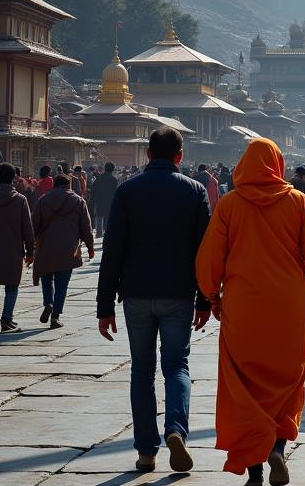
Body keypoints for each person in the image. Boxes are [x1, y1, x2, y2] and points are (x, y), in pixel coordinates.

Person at [196, 138, 305, 482]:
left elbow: (211, 256)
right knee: (289, 379)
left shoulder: (229, 205)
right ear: (278, 164)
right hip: (288, 303)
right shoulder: (297, 201)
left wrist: (212, 295)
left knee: (244, 386)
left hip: (243, 306)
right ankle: (277, 449)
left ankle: (254, 468)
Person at [96, 128, 212, 473]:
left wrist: (104, 307)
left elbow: (112, 250)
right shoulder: (194, 191)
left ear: (147, 154)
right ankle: (176, 429)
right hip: (179, 293)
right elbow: (204, 251)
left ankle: (146, 451)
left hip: (135, 295)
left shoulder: (128, 191)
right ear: (179, 156)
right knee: (177, 366)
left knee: (141, 371)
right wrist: (205, 299)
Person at [31, 172, 94, 329]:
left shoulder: (43, 200)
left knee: (46, 278)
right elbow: (86, 226)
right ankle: (55, 317)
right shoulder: (78, 201)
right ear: (68, 185)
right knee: (62, 284)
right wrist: (90, 246)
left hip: (46, 246)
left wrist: (30, 247)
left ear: (54, 185)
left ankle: (48, 303)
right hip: (69, 247)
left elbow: (34, 224)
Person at [0, 162, 34, 331]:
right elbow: (27, 227)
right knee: (12, 286)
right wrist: (30, 250)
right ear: (14, 178)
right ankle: (6, 320)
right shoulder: (20, 200)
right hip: (12, 250)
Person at [89, 162, 118, 237]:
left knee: (99, 217)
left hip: (99, 201)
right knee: (108, 217)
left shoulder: (99, 178)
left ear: (105, 169)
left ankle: (99, 233)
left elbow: (93, 190)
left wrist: (92, 201)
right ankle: (107, 233)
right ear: (113, 170)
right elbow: (115, 192)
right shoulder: (114, 180)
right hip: (110, 202)